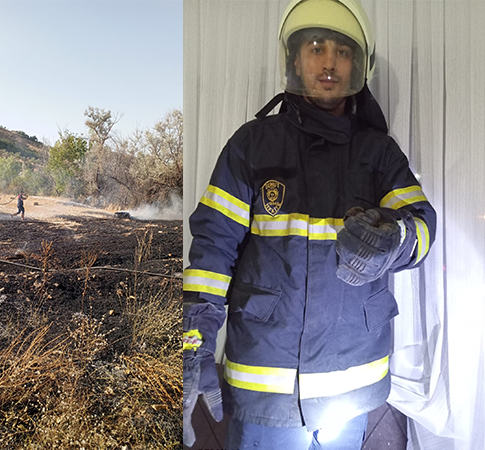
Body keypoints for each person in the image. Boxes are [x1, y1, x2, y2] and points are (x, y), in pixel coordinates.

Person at [182, 1, 437, 449]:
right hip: (268, 387)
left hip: (350, 385)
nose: (329, 63)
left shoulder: (379, 153)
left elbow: (422, 227)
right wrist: (194, 340)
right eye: (317, 48)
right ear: (295, 60)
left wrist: (391, 238)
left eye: (342, 52)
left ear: (358, 66)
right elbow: (214, 245)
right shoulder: (252, 146)